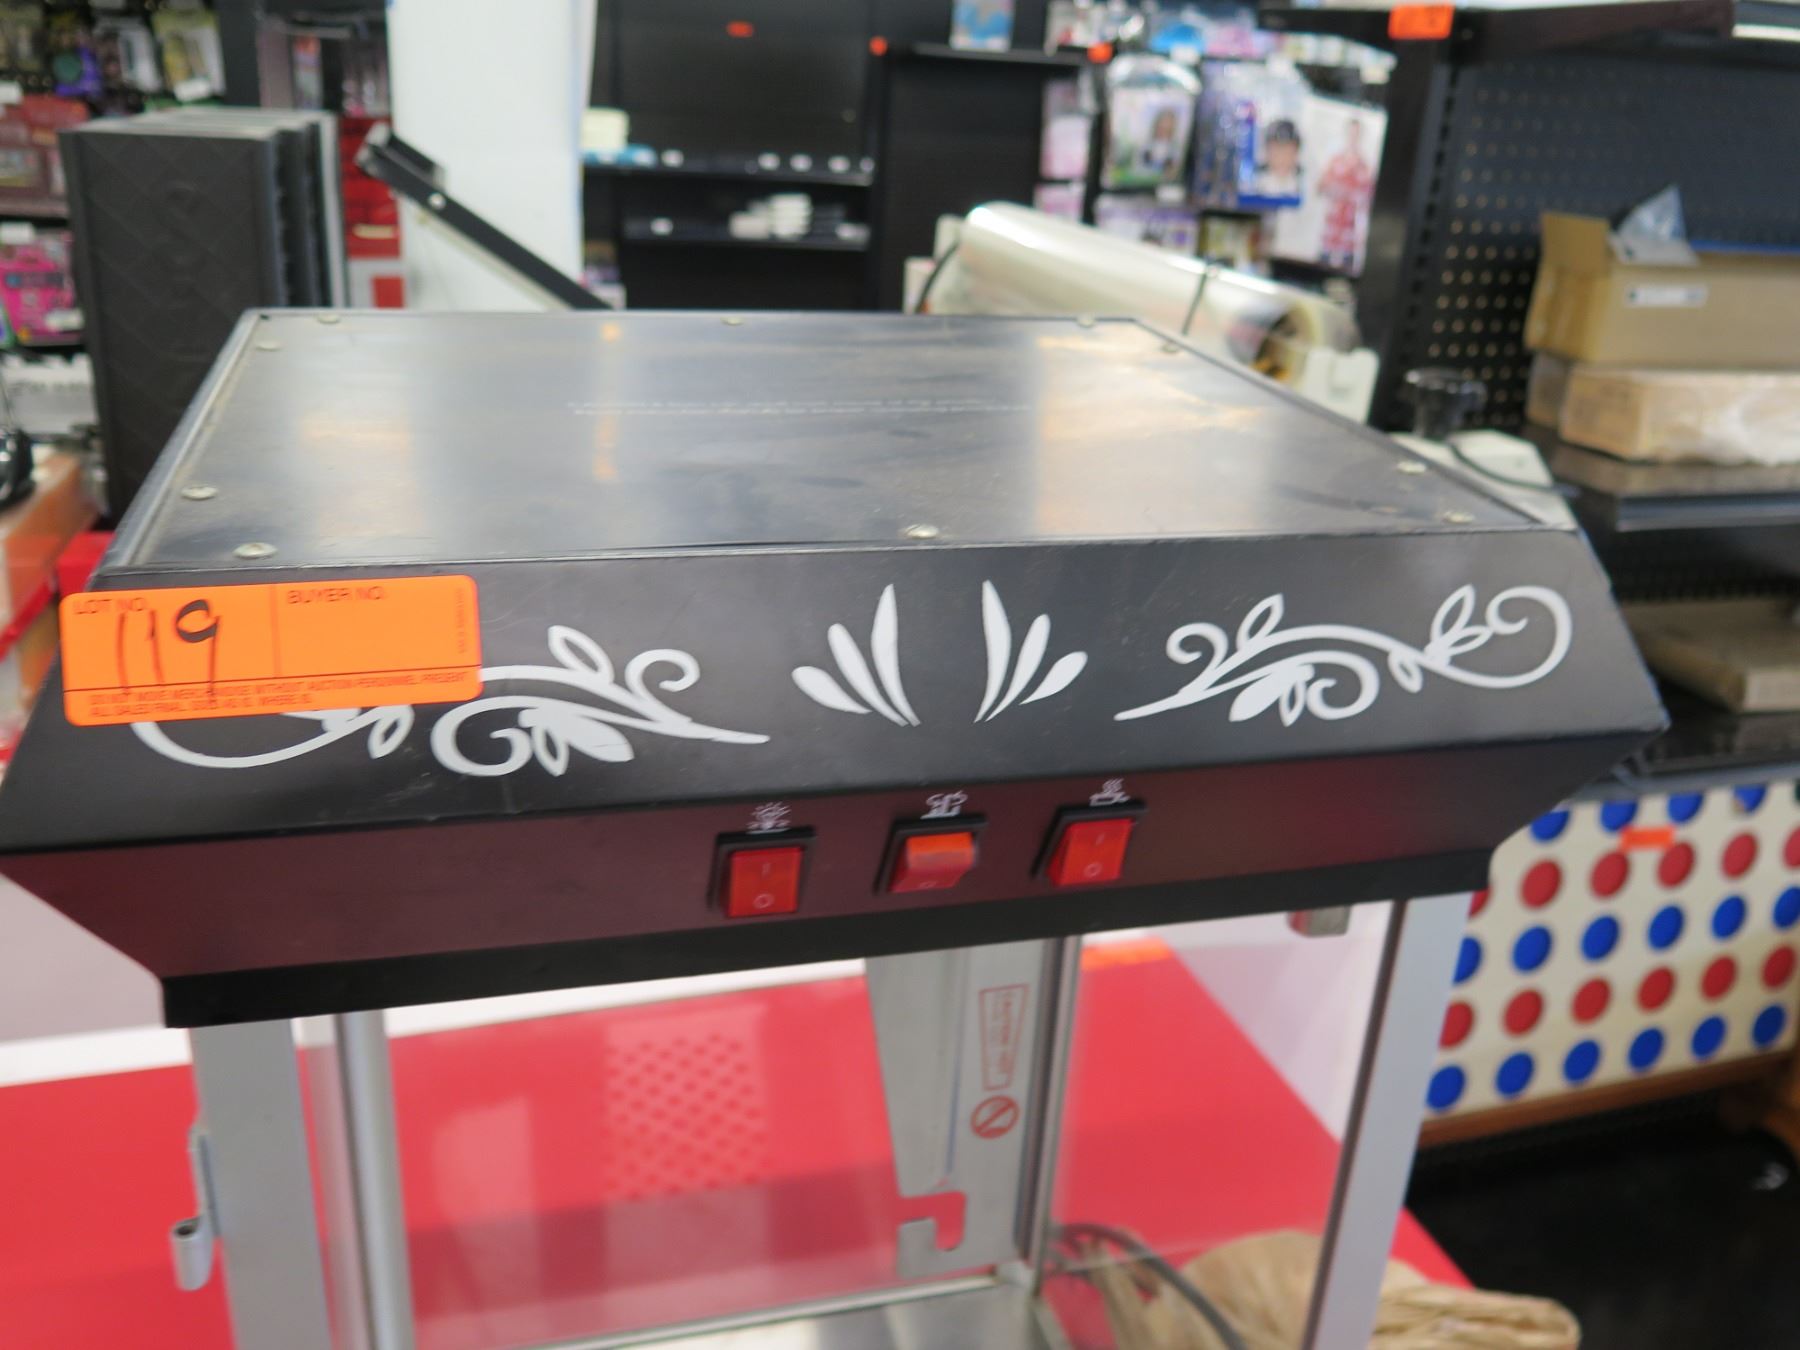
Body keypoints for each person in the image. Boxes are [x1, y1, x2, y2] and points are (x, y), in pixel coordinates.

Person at [1315, 117, 1375, 271]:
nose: (1353, 136)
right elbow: (1320, 187)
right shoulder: (1335, 161)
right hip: (1330, 232)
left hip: (1349, 234)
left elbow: (1368, 197)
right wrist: (1333, 190)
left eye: (1357, 133)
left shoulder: (1364, 166)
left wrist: (1351, 195)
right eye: (1351, 133)